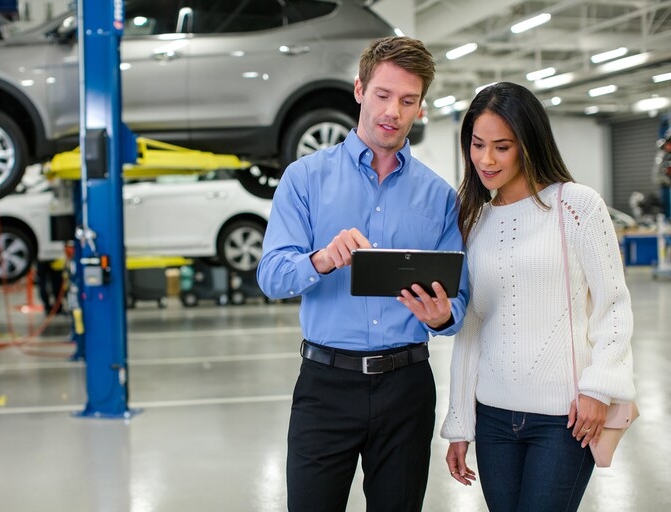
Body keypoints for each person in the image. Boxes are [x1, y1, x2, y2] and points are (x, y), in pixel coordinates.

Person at [257, 36, 469, 512]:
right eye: (383, 94)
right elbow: (270, 276)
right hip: (325, 385)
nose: (393, 110)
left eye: (408, 100)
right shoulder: (304, 178)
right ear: (359, 90)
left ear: (420, 107)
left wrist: (439, 316)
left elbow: (458, 304)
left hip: (407, 387)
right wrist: (321, 259)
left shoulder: (439, 197)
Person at [440, 82, 636, 511]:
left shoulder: (577, 205)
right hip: (492, 420)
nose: (486, 160)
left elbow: (613, 306)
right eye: (477, 144)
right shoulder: (475, 221)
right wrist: (460, 422)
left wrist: (599, 389)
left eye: (502, 147)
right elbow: (472, 327)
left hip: (563, 420)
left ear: (529, 144)